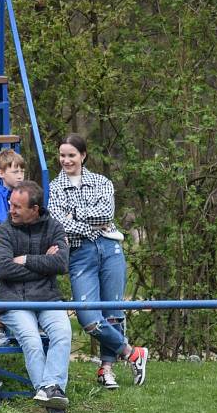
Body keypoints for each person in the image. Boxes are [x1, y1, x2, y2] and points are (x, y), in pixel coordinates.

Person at [47, 133, 148, 390]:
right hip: (81, 254)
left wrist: (77, 215)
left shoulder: (102, 181)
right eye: (62, 155)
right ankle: (132, 353)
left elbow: (106, 213)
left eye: (71, 155)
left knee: (113, 311)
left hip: (110, 249)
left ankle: (107, 370)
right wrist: (93, 227)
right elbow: (59, 223)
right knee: (88, 315)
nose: (66, 160)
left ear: (83, 155)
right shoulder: (55, 187)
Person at [0, 180, 72, 413]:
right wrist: (43, 263)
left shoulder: (54, 228)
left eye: (17, 207)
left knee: (63, 334)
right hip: (12, 298)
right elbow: (4, 269)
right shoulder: (4, 230)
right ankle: (51, 395)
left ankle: (50, 389)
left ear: (34, 209)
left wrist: (25, 259)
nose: (11, 210)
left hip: (47, 296)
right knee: (32, 341)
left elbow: (61, 264)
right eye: (10, 204)